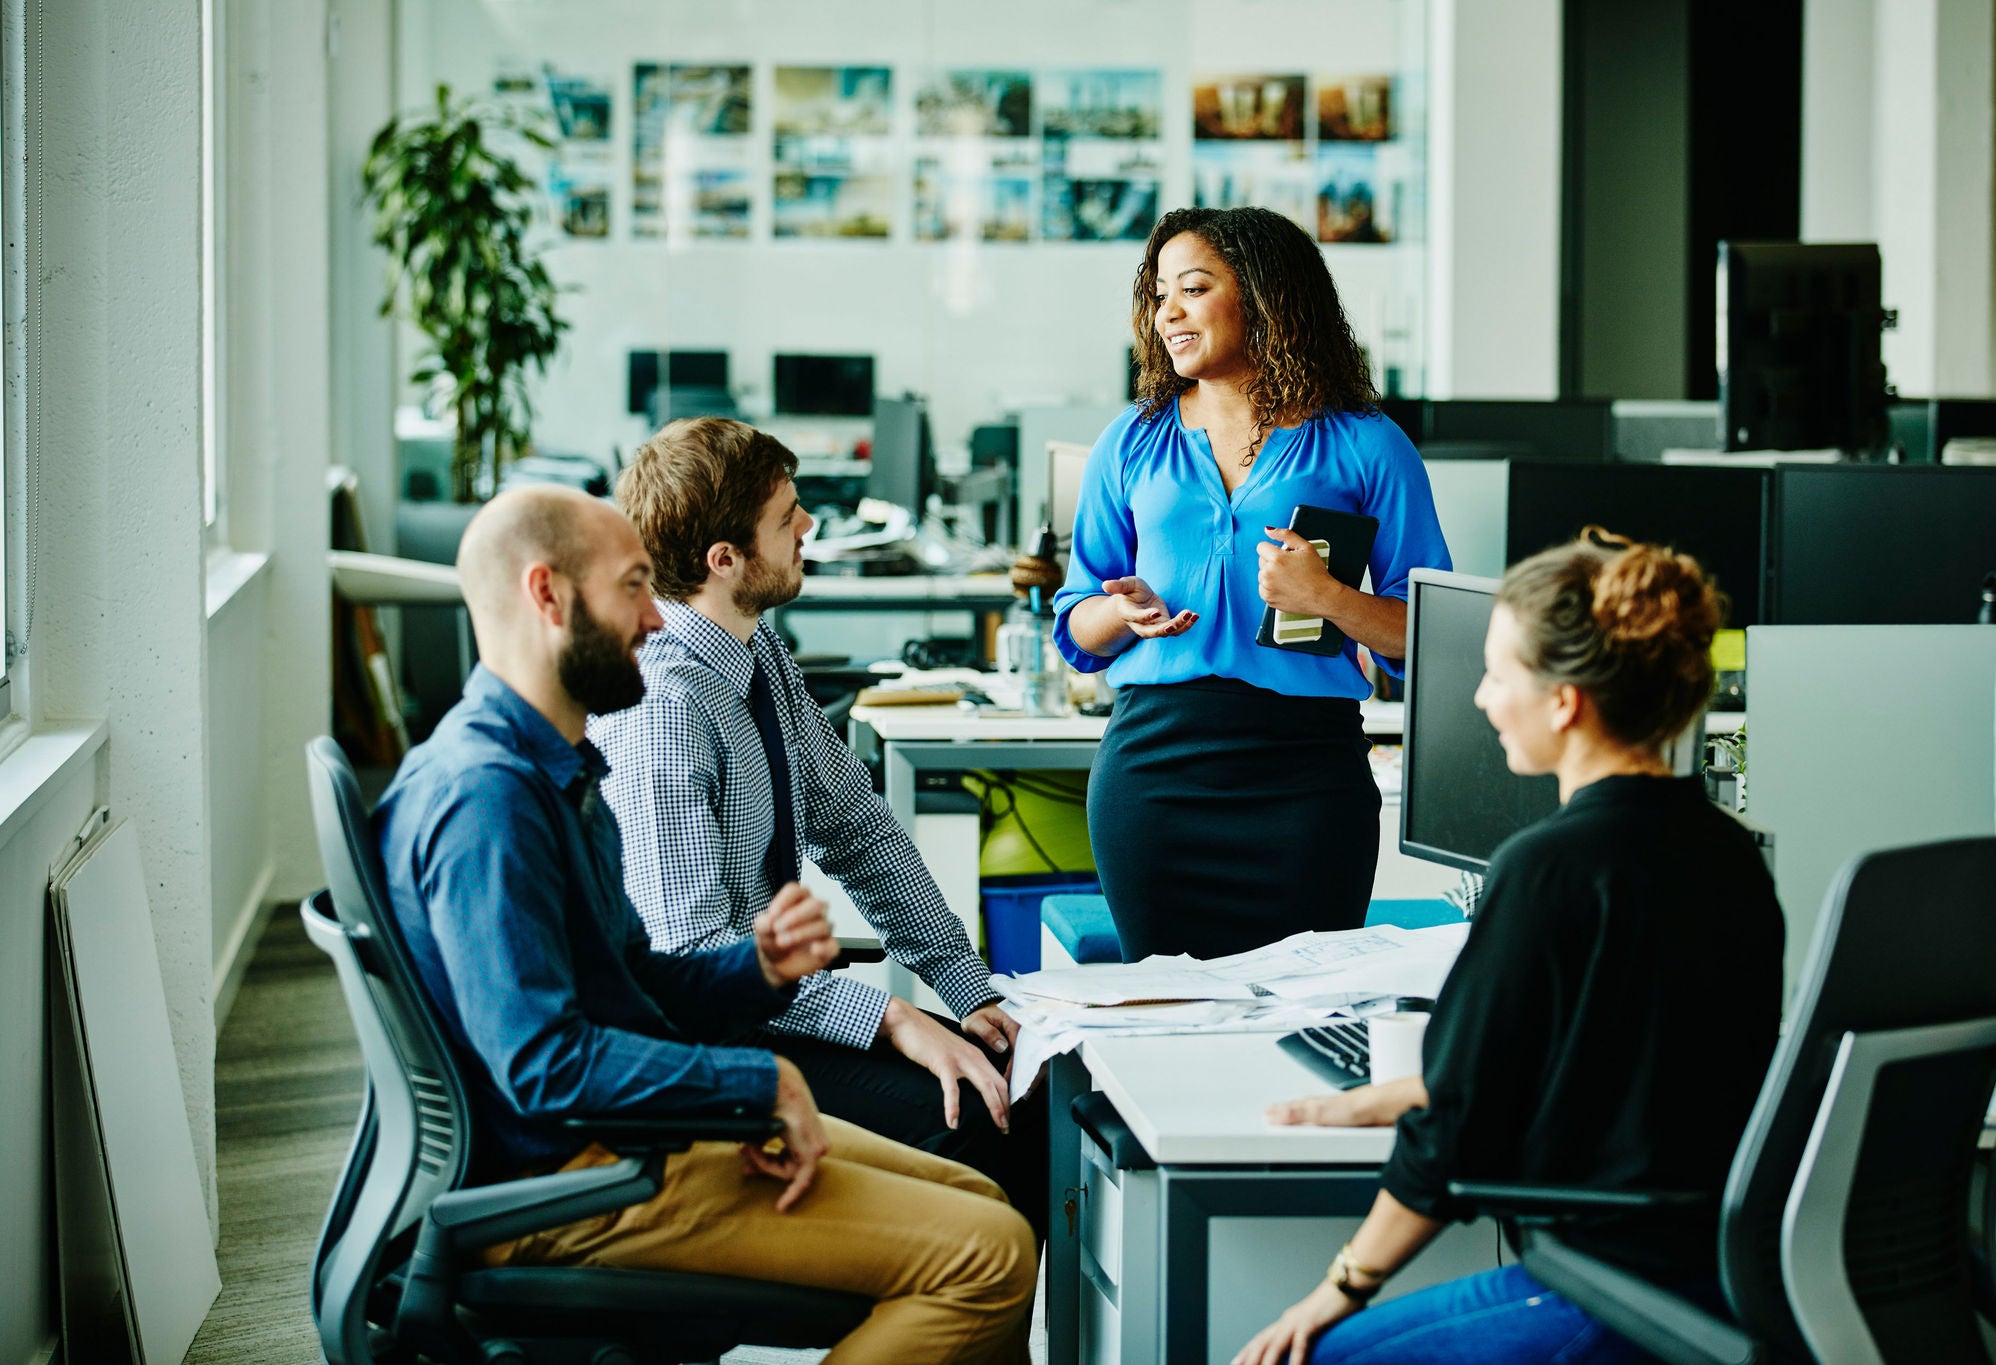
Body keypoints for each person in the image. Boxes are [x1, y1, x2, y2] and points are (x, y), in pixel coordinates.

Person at [375, 484, 1035, 1365]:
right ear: (548, 595)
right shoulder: (486, 797)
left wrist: (757, 967)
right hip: (575, 1177)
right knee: (989, 1256)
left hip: (627, 1135)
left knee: (987, 1200)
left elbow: (635, 979)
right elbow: (543, 1063)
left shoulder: (553, 762)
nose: (656, 618)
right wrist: (753, 1085)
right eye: (634, 588)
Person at [1234, 530, 1785, 1365]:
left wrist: (1331, 1292)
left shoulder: (1550, 867)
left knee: (1312, 1356)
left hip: (1605, 1285)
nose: (1484, 698)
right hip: (1722, 1276)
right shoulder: (1728, 850)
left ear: (1564, 701)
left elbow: (1455, 1136)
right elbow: (1620, 1058)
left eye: (1499, 674)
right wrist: (1397, 1091)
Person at [590, 417, 1046, 1237]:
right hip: (709, 1045)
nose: (810, 527)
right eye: (787, 517)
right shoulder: (664, 711)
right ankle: (945, 1302)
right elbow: (693, 956)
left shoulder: (756, 655)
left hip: (773, 1007)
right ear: (722, 560)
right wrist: (889, 1016)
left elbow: (860, 830)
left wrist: (964, 989)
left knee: (1024, 1078)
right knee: (985, 1120)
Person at [1054, 204, 1454, 962]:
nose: (1168, 311)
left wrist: (1329, 599)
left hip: (1306, 781)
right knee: (1168, 1016)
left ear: (1266, 297)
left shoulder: (1367, 443)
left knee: (1305, 1016)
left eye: (1194, 288)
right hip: (1154, 774)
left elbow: (1432, 637)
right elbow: (1075, 625)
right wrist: (1119, 611)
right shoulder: (1133, 438)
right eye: (1159, 292)